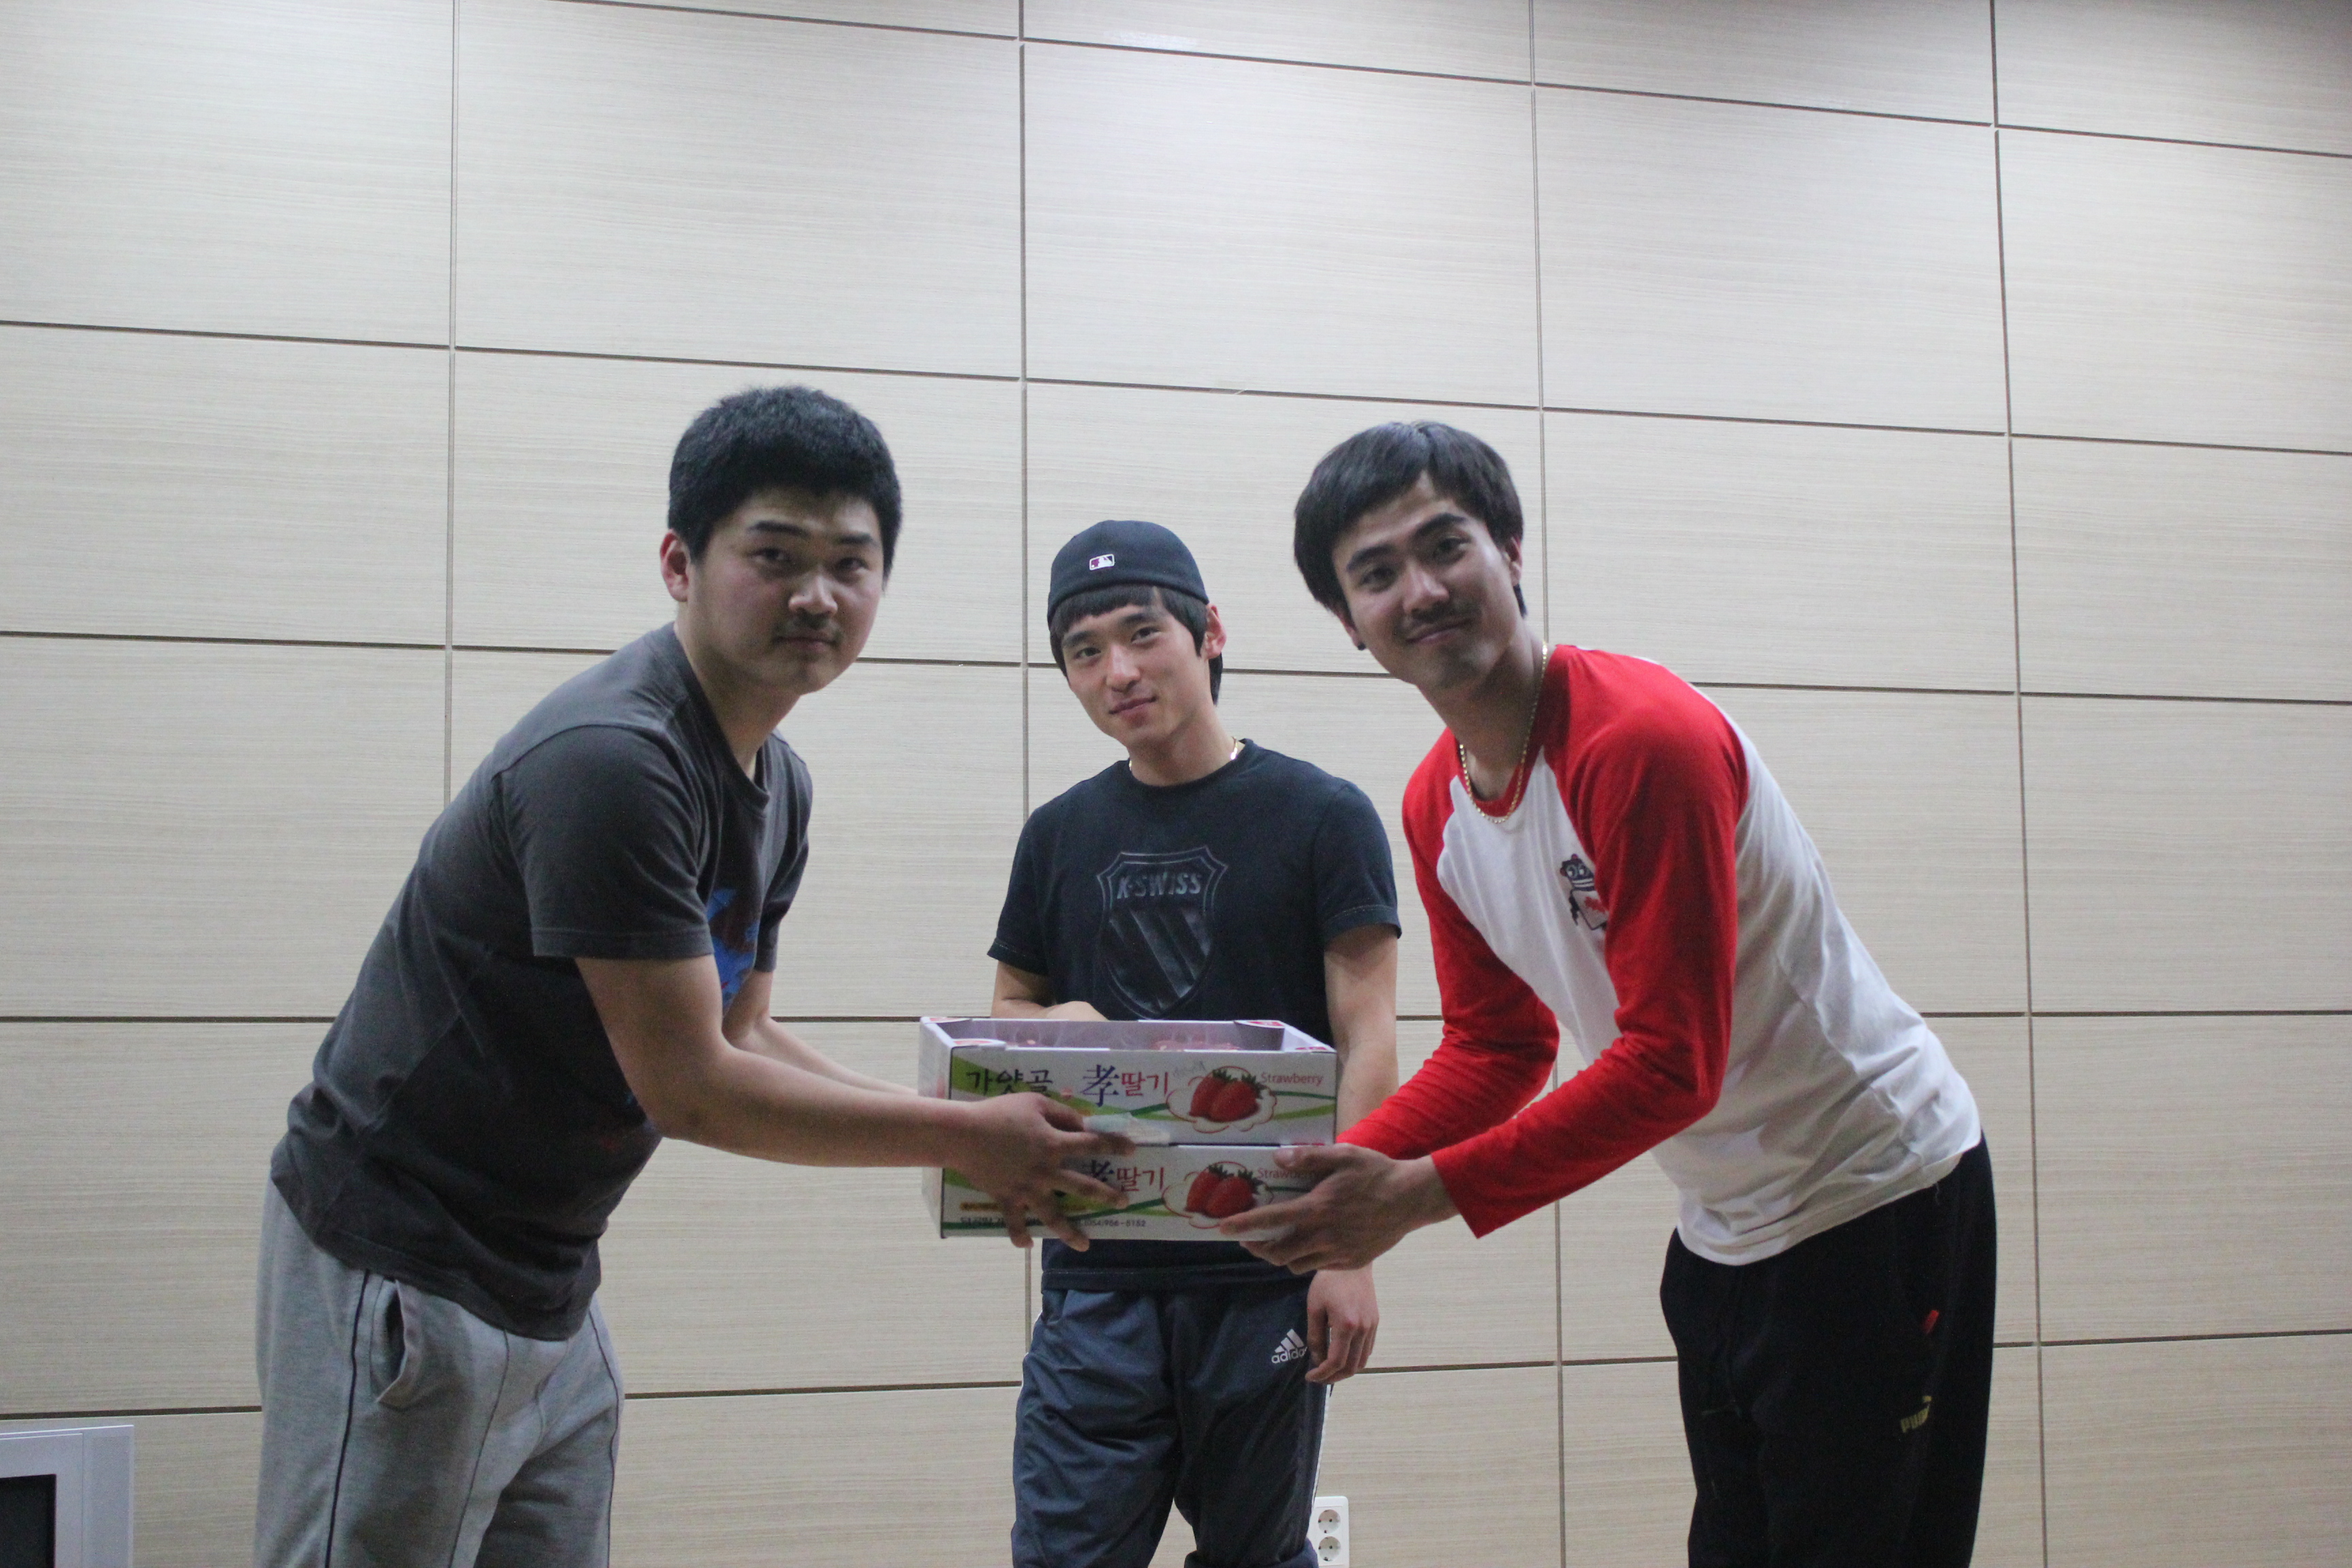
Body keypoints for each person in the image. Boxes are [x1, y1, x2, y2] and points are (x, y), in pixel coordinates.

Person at [255, 386, 1130, 1568]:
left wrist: (969, 1120)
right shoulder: (613, 760)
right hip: (401, 1256)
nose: (817, 596)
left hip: (547, 1273)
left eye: (850, 564)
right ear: (680, 563)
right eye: (775, 556)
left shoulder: (779, 782)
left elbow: (742, 1031)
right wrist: (965, 1139)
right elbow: (692, 1091)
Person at [1230, 423, 1995, 1567]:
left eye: (1445, 546)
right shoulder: (1438, 804)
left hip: (1875, 1196)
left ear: (1512, 552)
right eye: (1377, 574)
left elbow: (1674, 1064)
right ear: (1349, 622)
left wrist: (1414, 1196)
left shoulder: (1640, 740)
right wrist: (1334, 1173)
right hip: (1725, 1232)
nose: (1421, 590)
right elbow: (1497, 1046)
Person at [990, 519, 1402, 1568]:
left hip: (1266, 1267)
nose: (1118, 672)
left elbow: (1368, 1038)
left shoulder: (1323, 815)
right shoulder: (1057, 835)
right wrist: (1050, 1029)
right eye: (1085, 652)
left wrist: (1349, 1248)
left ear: (1210, 632)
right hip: (1097, 1273)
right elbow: (1008, 1025)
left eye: (1143, 634)